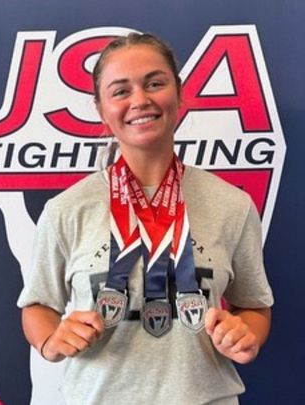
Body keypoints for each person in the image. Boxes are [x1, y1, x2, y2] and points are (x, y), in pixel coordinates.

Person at [18, 33, 273, 405]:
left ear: (179, 94)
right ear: (101, 108)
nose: (140, 100)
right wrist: (50, 341)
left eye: (155, 83)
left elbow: (255, 305)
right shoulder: (67, 210)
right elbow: (38, 304)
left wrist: (244, 334)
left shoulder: (232, 205)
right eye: (121, 91)